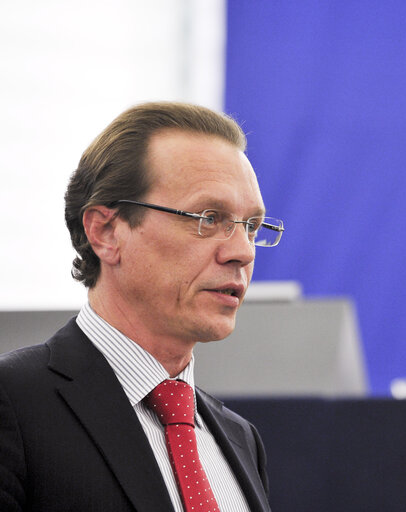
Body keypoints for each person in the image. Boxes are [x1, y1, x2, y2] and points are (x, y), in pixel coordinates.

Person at [0, 102, 283, 511]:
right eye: (207, 217)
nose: (242, 251)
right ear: (106, 232)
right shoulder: (15, 405)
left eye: (252, 226)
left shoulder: (240, 440)